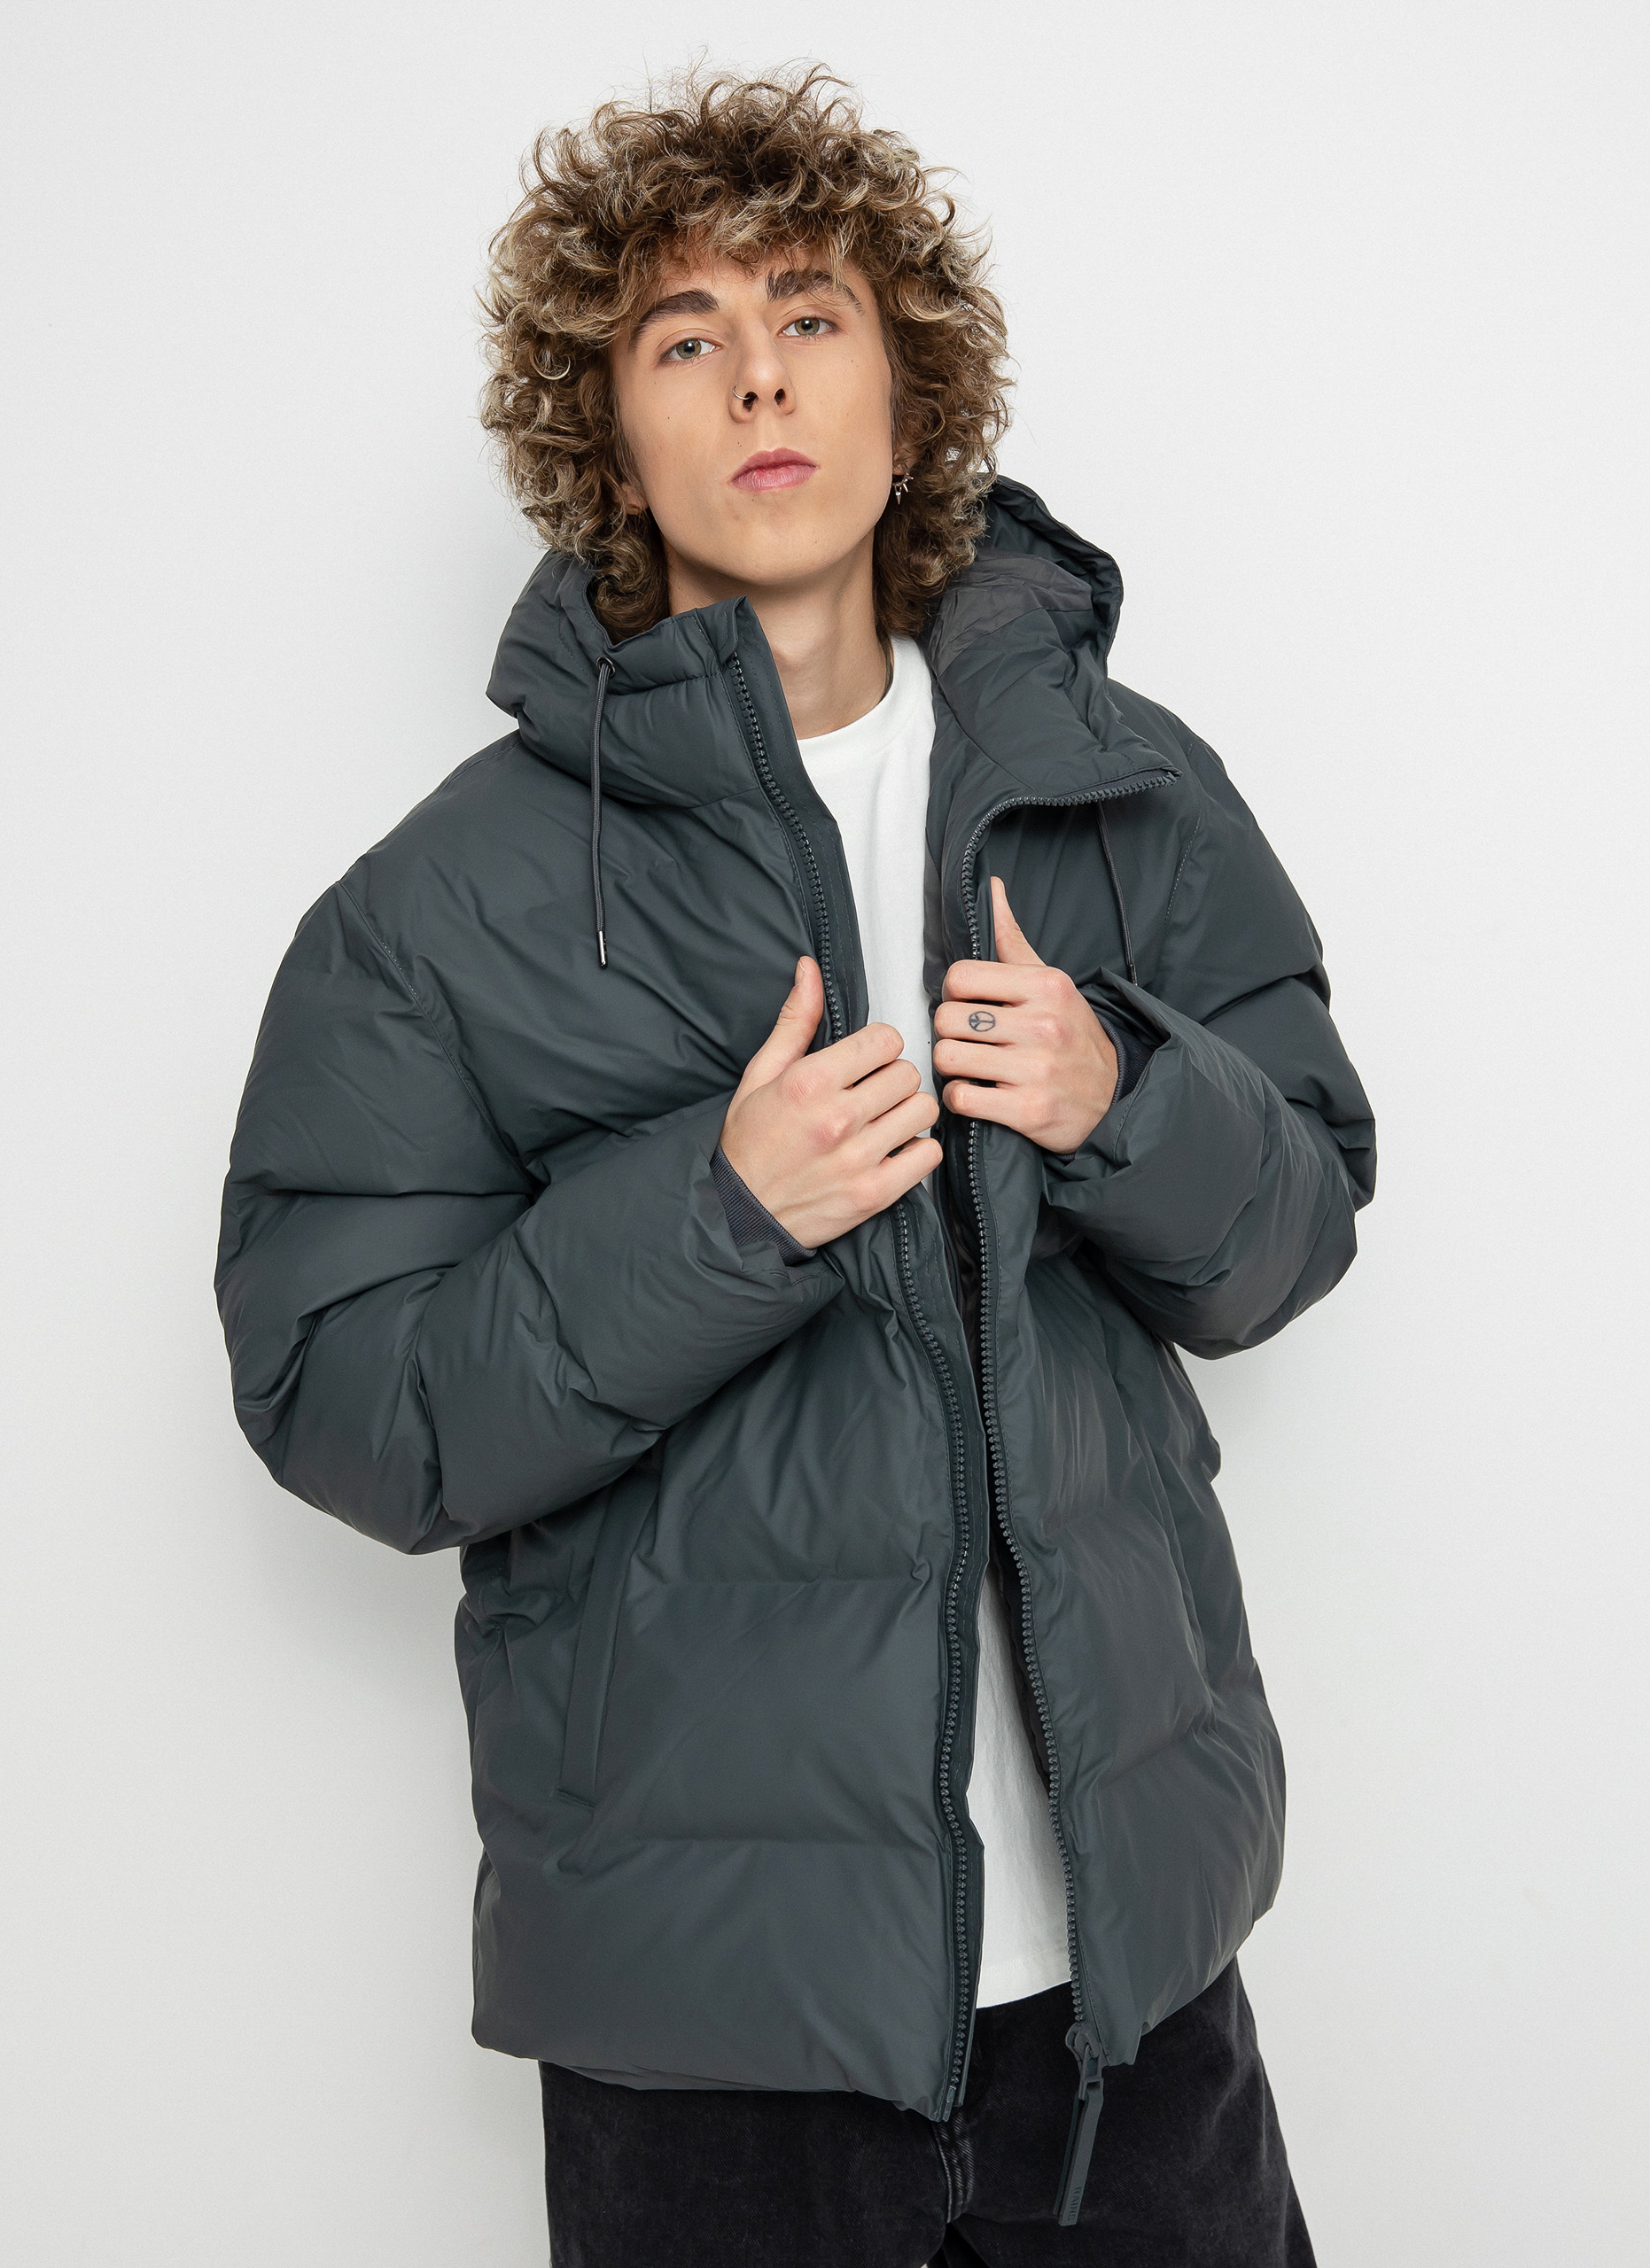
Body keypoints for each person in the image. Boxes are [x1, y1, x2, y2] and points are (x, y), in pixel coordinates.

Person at [216, 66, 1375, 2268]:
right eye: (685, 336)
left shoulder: (1116, 791)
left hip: (1128, 1990)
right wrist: (717, 1217)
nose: (759, 376)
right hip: (709, 2035)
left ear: (906, 390)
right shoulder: (437, 912)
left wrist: (1125, 1090)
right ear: (609, 439)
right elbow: (342, 1398)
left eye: (812, 313)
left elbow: (1298, 1219)